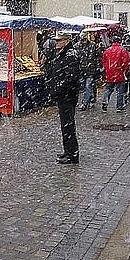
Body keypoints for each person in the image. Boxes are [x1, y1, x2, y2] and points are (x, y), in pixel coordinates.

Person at [44, 31, 81, 164]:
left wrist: (58, 89)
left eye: (59, 40)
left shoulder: (70, 55)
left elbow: (70, 78)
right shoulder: (63, 54)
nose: (56, 43)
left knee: (68, 126)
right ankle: (68, 151)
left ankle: (72, 155)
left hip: (67, 96)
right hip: (64, 96)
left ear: (66, 41)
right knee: (66, 126)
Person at [102, 35, 130, 112]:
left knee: (108, 89)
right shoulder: (123, 50)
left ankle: (105, 101)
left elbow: (104, 62)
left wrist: (108, 69)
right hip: (119, 73)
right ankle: (119, 106)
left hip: (110, 73)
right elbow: (126, 62)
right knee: (120, 91)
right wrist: (124, 70)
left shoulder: (107, 50)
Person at [75, 32, 101, 110]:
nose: (83, 41)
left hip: (91, 70)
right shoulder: (76, 46)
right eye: (82, 40)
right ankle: (90, 99)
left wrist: (98, 66)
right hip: (81, 70)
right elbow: (75, 58)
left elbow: (98, 56)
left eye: (85, 39)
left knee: (88, 86)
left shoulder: (93, 45)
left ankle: (85, 103)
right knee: (84, 87)